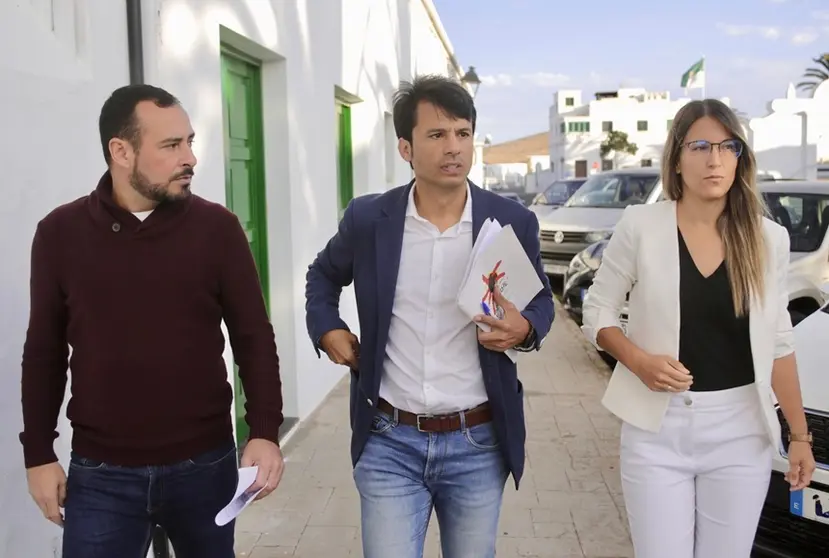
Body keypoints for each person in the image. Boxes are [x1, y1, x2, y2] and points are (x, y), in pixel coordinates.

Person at [20, 84, 285, 558]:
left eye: (189, 142)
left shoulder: (217, 229)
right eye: (171, 145)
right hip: (101, 474)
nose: (190, 158)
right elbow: (43, 352)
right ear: (120, 151)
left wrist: (264, 430)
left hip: (205, 465)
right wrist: (38, 454)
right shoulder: (60, 234)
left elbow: (253, 337)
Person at [304, 75, 555, 558]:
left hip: (478, 442)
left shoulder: (510, 221)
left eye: (463, 133)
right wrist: (327, 326)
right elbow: (322, 275)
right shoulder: (369, 220)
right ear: (406, 147)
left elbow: (541, 301)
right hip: (389, 441)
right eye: (437, 135)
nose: (453, 147)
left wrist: (523, 328)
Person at [581, 99, 816, 557]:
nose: (714, 159)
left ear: (740, 157)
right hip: (655, 430)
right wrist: (638, 361)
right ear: (676, 157)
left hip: (740, 430)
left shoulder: (769, 239)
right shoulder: (641, 225)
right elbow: (598, 311)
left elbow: (780, 343)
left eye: (728, 147)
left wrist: (800, 436)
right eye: (701, 146)